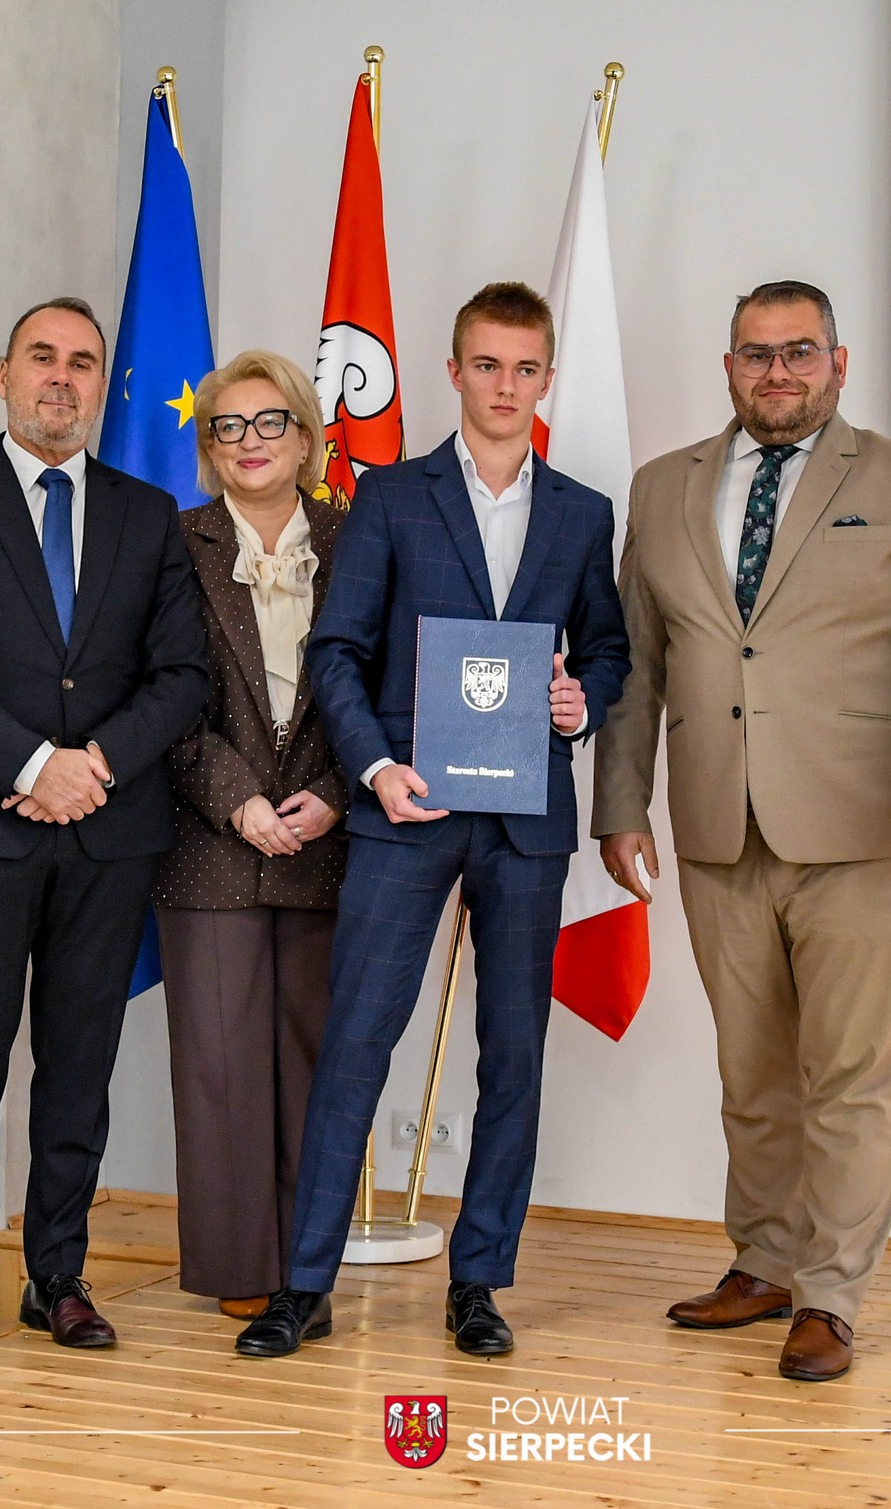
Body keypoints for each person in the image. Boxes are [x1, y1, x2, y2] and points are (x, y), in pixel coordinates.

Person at [593, 280, 891, 1383]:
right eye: (756, 354)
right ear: (728, 366)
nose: (778, 372)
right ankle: (764, 1261)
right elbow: (637, 666)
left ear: (838, 363)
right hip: (718, 828)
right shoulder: (663, 487)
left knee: (852, 1075)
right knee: (752, 1070)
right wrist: (619, 804)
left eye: (799, 351)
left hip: (869, 831)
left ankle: (830, 1294)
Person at [235, 283, 630, 1359]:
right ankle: (302, 1283)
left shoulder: (582, 512)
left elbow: (607, 651)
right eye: (486, 365)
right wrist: (373, 767)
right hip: (405, 808)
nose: (505, 386)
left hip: (526, 819)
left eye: (525, 368)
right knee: (355, 1039)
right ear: (453, 371)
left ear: (546, 380)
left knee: (513, 1056)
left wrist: (581, 699)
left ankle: (479, 1282)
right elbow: (337, 650)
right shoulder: (390, 498)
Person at [0, 297, 209, 1359]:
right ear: (6, 376)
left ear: (100, 384)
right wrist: (31, 766)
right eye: (42, 357)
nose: (61, 377)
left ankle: (57, 1277)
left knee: (78, 1066)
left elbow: (182, 675)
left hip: (107, 831)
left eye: (82, 362)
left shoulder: (148, 514)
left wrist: (90, 767)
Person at [152, 350, 349, 1321]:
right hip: (207, 841)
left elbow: (389, 683)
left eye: (270, 422)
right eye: (227, 426)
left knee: (315, 1061)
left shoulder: (358, 539)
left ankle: (305, 1269)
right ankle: (242, 1266)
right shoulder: (170, 544)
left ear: (305, 438)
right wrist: (237, 800)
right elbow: (156, 695)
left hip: (329, 838)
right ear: (208, 447)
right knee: (220, 1065)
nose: (248, 441)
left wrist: (334, 795)